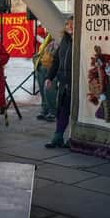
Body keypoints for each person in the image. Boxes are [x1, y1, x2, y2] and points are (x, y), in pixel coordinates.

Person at [44, 16, 73, 148]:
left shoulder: (82, 41)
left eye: (73, 24)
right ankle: (58, 137)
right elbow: (56, 61)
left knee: (75, 112)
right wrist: (49, 77)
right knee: (62, 110)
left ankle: (74, 139)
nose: (70, 26)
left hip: (76, 84)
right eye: (67, 24)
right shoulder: (64, 41)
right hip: (64, 83)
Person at [34, 34, 58, 122]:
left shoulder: (62, 35)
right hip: (42, 64)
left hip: (52, 66)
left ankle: (53, 111)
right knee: (42, 89)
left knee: (50, 89)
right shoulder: (49, 35)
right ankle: (45, 109)